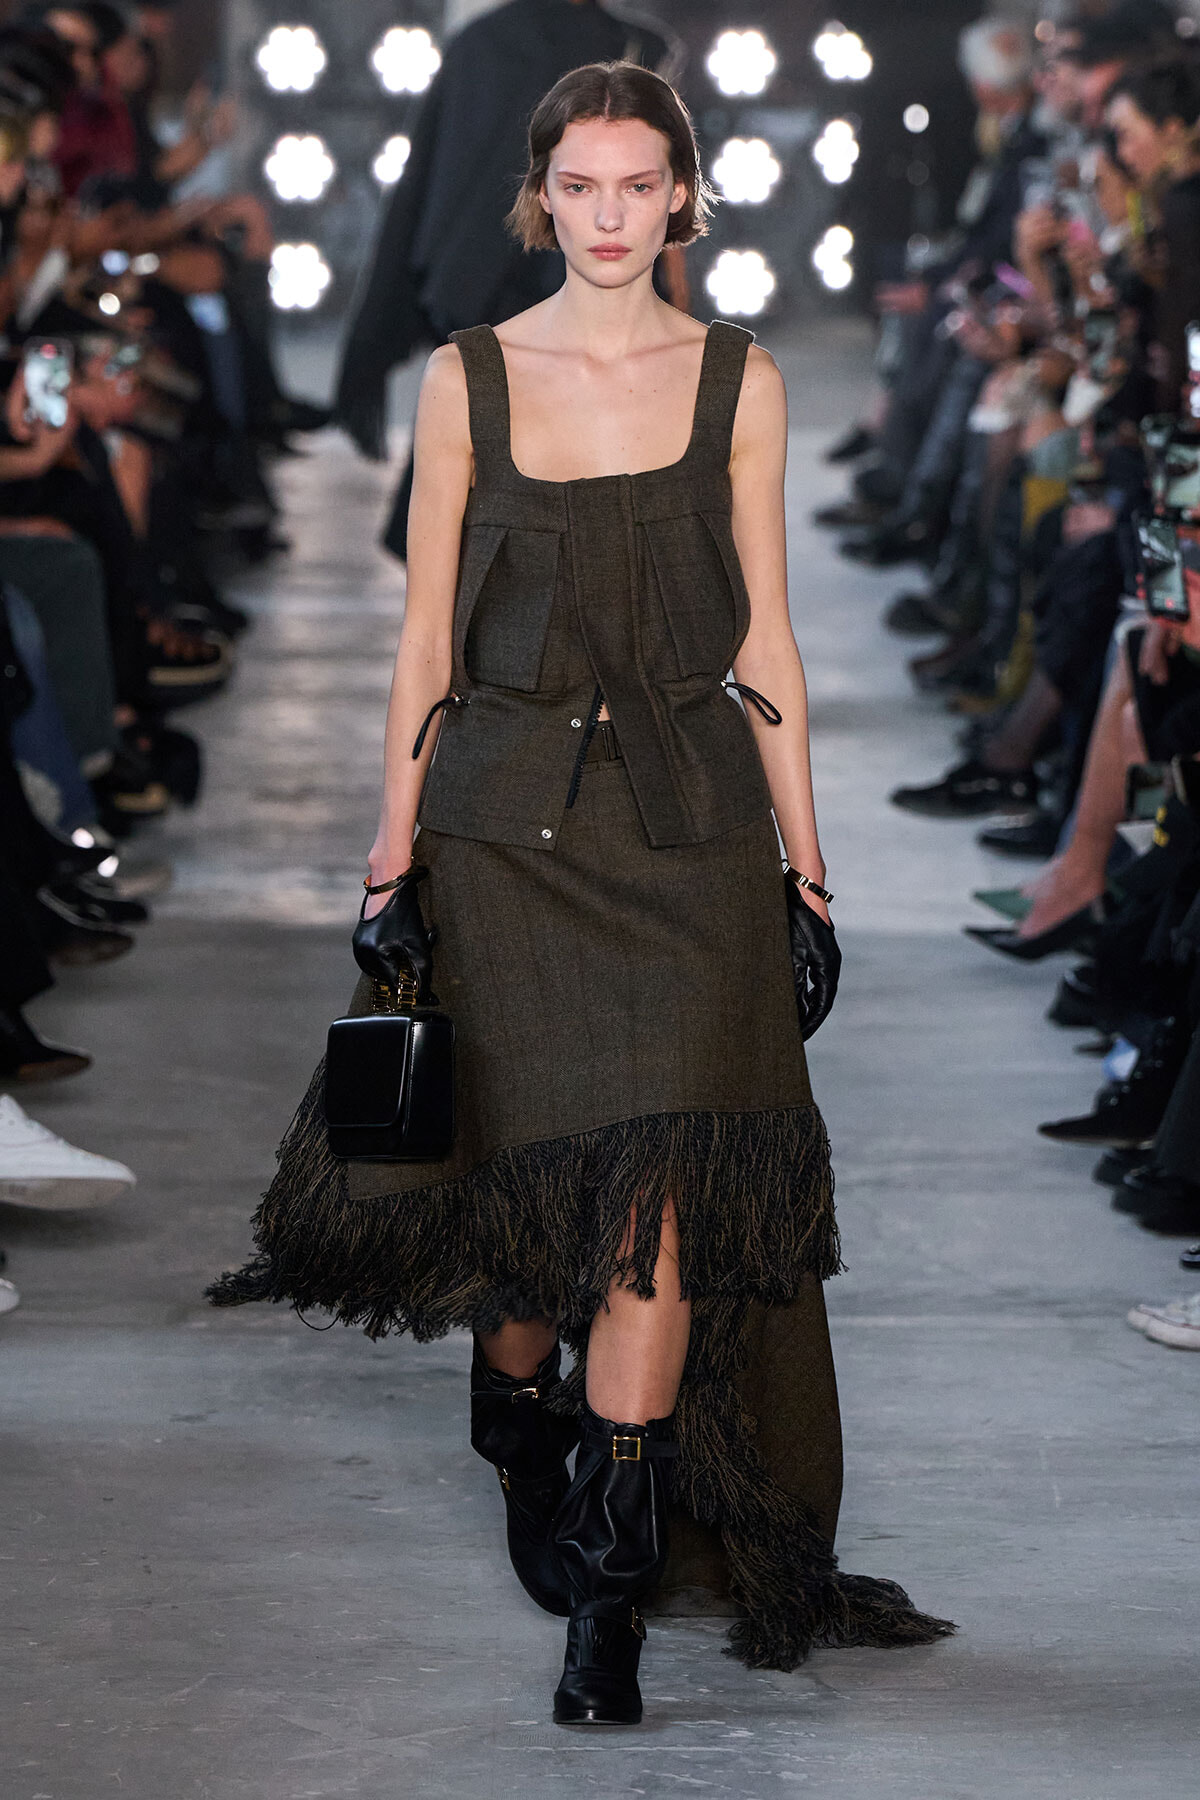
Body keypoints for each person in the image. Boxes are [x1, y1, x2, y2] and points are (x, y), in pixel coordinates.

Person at [211, 61, 952, 1726]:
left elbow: (765, 637)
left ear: (684, 196)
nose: (612, 217)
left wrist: (809, 875)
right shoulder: (464, 379)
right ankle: (510, 1397)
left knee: (660, 1216)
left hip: (688, 835)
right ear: (541, 197)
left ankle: (605, 1609)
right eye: (583, 188)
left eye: (642, 186)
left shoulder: (738, 381)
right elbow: (424, 638)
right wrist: (390, 851)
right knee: (542, 1225)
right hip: (504, 837)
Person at [335, 0, 684, 560]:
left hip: (487, 277)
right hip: (562, 275)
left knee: (483, 470)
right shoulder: (623, 50)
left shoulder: (492, 42)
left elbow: (438, 174)